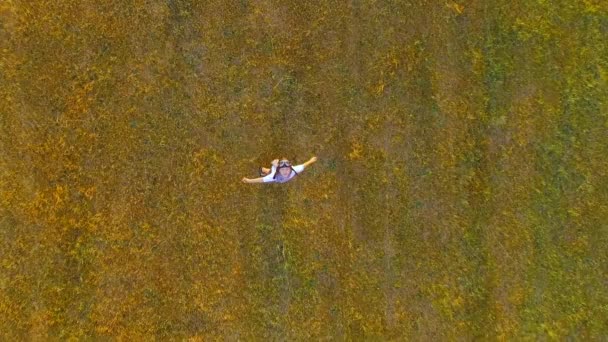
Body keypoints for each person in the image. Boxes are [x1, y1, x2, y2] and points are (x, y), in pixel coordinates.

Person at [241, 156, 317, 184]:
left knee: (271, 169)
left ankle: (273, 164)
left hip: (277, 172)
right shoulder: (273, 176)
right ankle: (263, 169)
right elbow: (261, 180)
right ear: (278, 170)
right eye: (283, 170)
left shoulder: (294, 170)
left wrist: (311, 161)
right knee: (269, 171)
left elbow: (303, 165)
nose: (285, 172)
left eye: (287, 169)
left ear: (290, 168)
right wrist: (249, 180)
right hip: (274, 172)